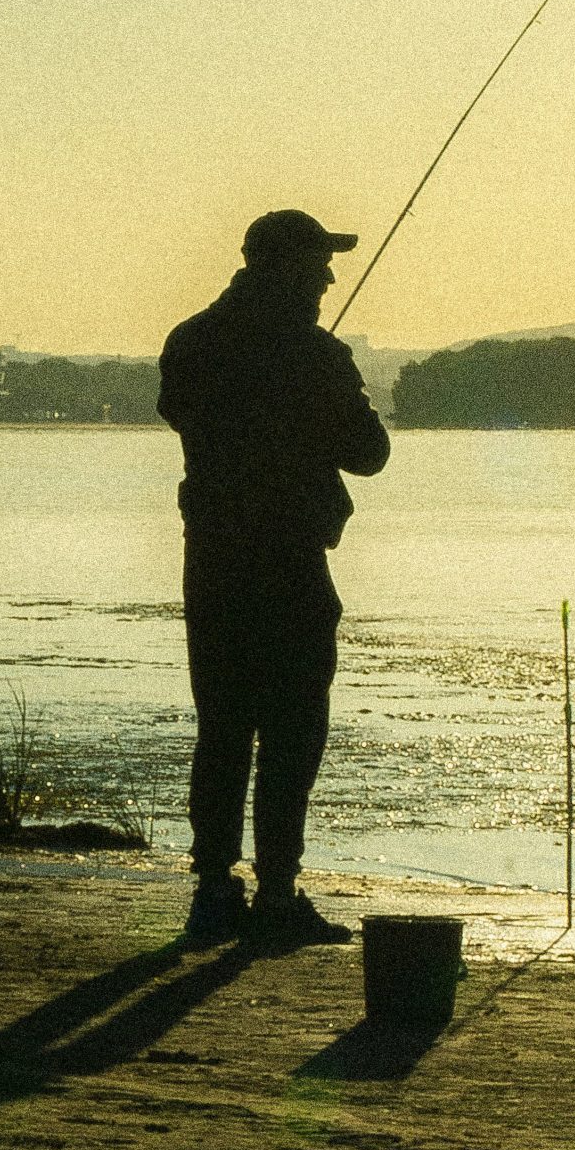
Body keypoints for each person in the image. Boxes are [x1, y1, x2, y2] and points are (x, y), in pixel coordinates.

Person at [157, 209, 391, 945]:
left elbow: (181, 415)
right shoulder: (316, 357)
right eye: (319, 264)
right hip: (289, 561)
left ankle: (213, 891)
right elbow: (369, 453)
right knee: (293, 731)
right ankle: (278, 895)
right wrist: (329, 390)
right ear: (285, 268)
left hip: (214, 560)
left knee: (222, 726)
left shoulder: (190, 342)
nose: (328, 278)